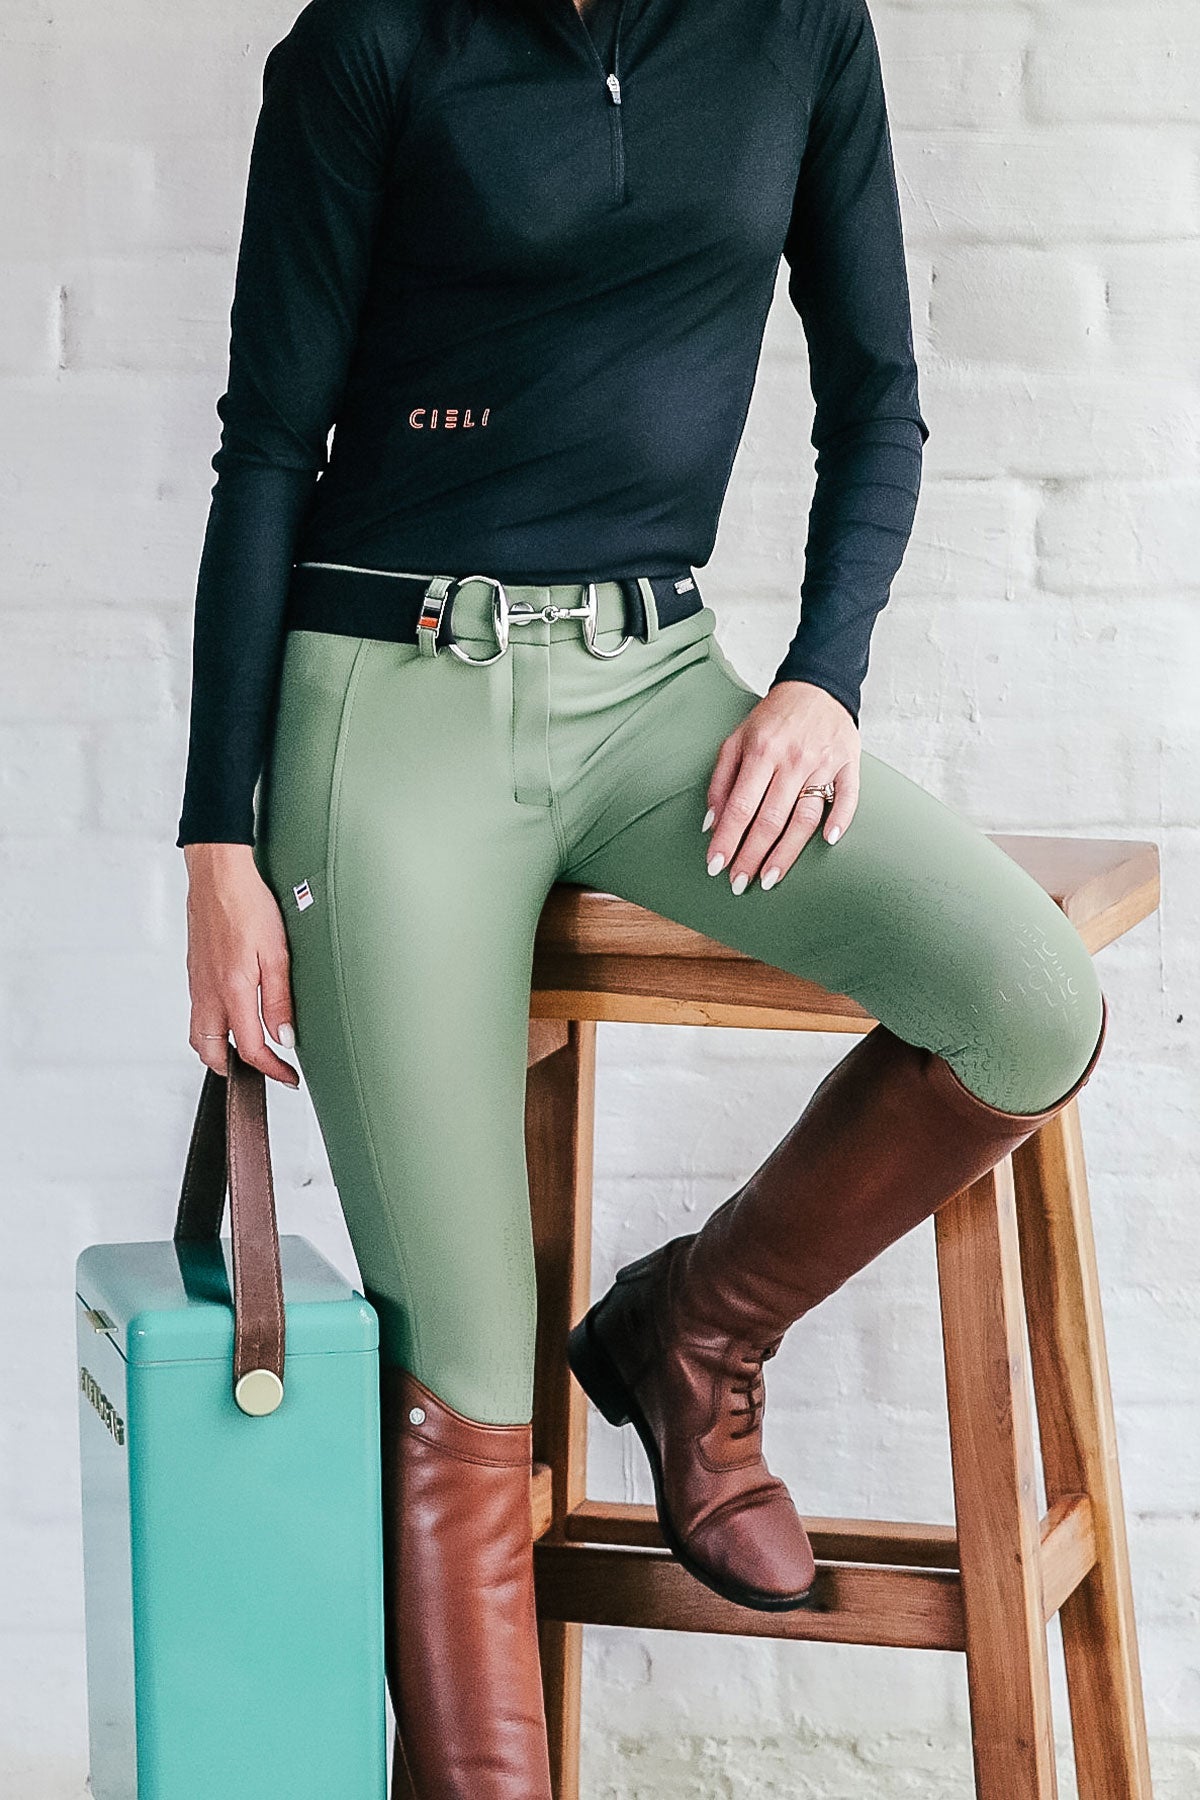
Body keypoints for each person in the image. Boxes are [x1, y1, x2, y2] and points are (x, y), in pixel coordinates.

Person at [177, 0, 1109, 1793]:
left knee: (1027, 1004)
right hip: (388, 701)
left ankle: (693, 1332)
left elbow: (880, 399)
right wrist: (217, 841)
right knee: (464, 1361)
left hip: (662, 693)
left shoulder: (799, 33)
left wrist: (822, 680)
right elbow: (265, 450)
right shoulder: (370, 45)